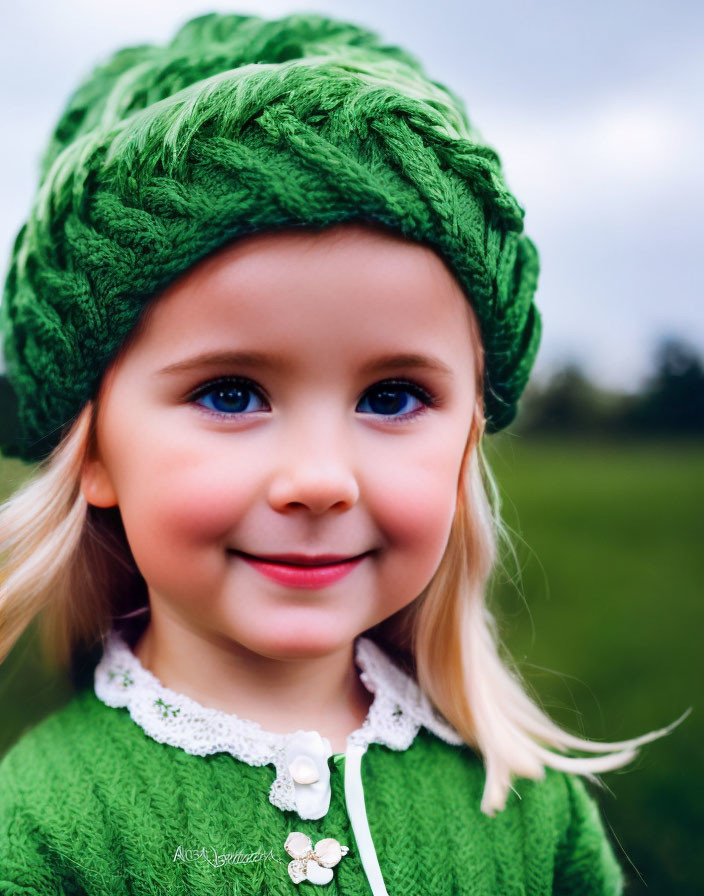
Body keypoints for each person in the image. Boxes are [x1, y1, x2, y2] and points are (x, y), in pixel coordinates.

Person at [0, 11, 684, 896]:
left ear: (468, 434)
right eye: (231, 394)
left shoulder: (524, 803)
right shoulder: (48, 829)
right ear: (91, 449)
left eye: (392, 397)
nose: (321, 480)